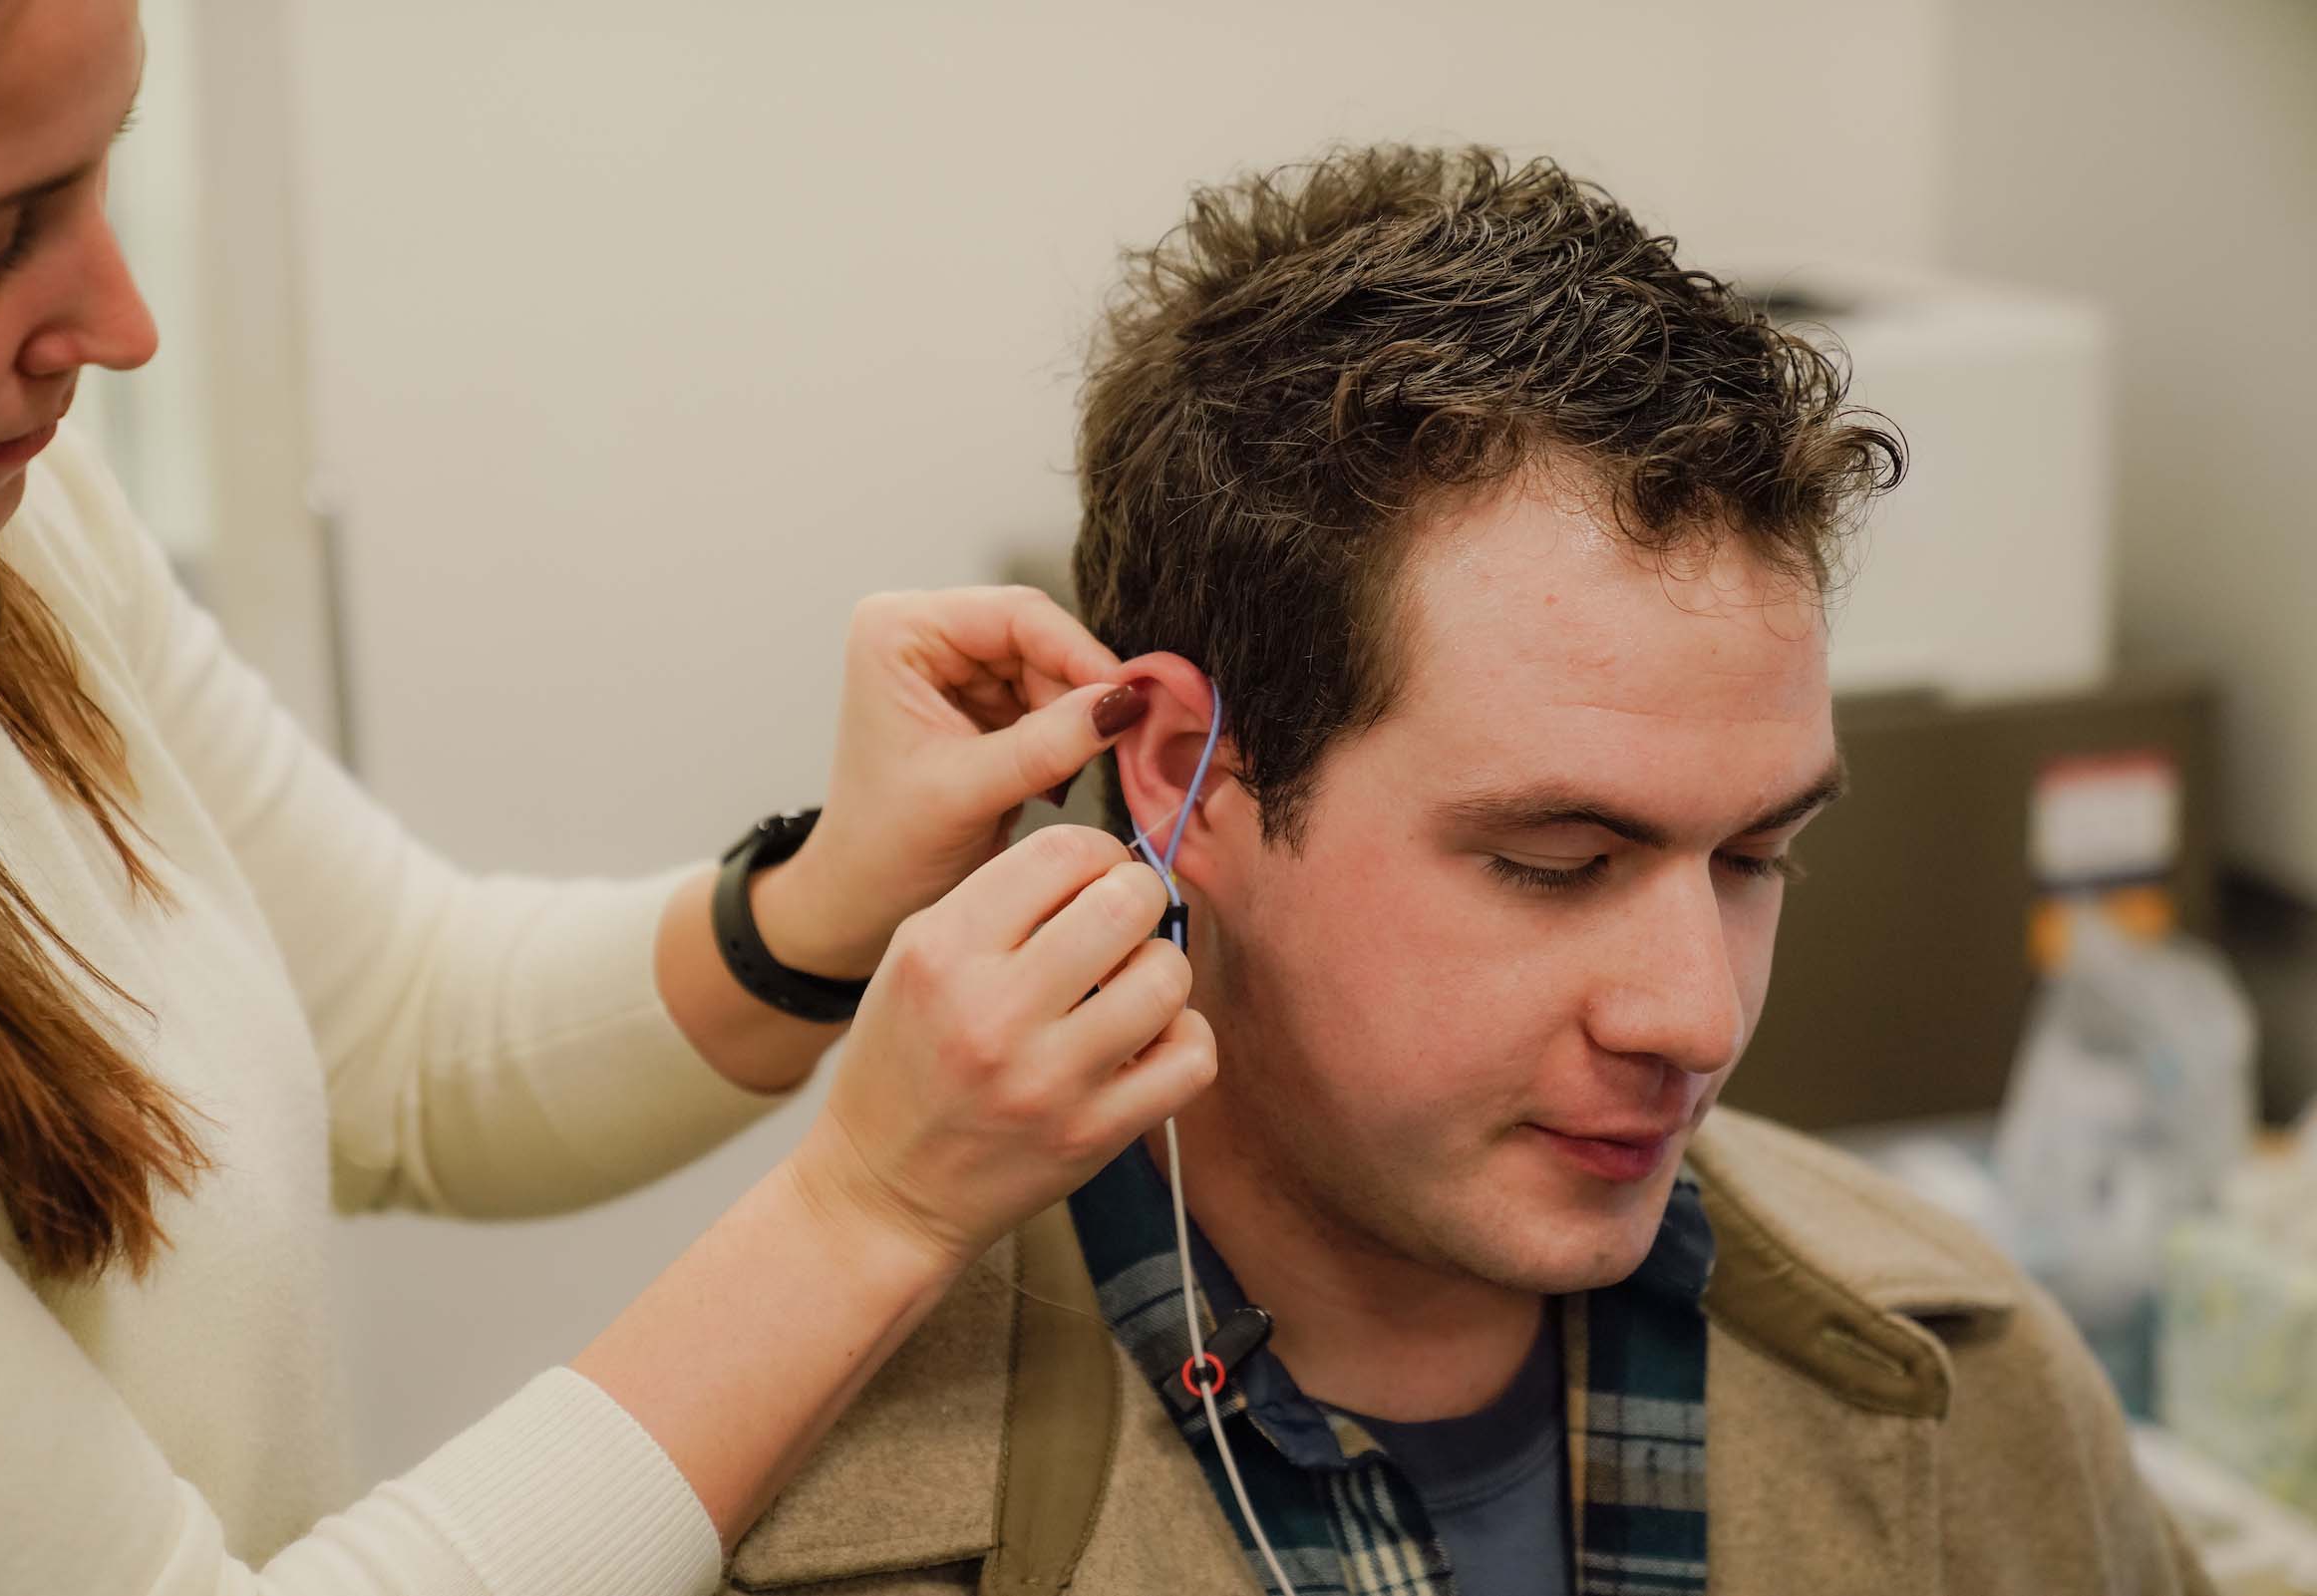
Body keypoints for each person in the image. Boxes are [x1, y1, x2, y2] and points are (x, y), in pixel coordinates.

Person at [720, 148, 2219, 1595]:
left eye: (1759, 854)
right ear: (1191, 773)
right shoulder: (822, 1521)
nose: (1697, 1019)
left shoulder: (1985, 1389)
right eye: (1557, 861)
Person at [0, 1, 1221, 1591]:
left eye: (101, 169)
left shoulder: (16, 517)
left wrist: (826, 902)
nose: (123, 325)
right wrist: (864, 1205)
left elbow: (402, 1026)